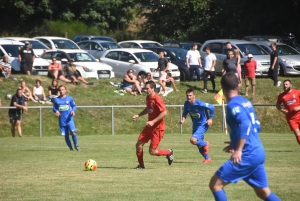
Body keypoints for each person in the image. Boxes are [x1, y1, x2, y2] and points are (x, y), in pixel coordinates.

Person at [209, 72, 281, 201]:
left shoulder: (233, 105)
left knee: (215, 185)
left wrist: (239, 149)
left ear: (222, 88)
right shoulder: (245, 102)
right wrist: (235, 142)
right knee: (263, 192)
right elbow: (256, 126)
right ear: (239, 85)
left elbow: (246, 123)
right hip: (258, 151)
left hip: (247, 154)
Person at [132, 81, 173, 169]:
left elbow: (164, 112)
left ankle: (168, 152)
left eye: (147, 88)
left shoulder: (157, 99)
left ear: (153, 89)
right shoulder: (148, 98)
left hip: (158, 128)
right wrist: (138, 115)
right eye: (145, 88)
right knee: (138, 144)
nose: (145, 90)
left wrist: (153, 121)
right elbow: (148, 108)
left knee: (152, 151)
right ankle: (141, 165)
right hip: (149, 127)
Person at [180, 88, 214, 163]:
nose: (189, 97)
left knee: (193, 140)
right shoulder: (186, 103)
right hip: (195, 125)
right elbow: (185, 112)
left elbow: (212, 107)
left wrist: (210, 118)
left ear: (194, 96)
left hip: (203, 124)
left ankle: (206, 143)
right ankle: (207, 158)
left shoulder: (199, 104)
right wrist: (183, 119)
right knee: (198, 144)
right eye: (187, 95)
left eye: (190, 95)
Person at [53, 85, 80, 151]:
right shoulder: (56, 99)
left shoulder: (69, 98)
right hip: (62, 120)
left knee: (73, 132)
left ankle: (76, 145)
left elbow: (74, 106)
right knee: (66, 135)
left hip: (69, 119)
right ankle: (71, 149)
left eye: (62, 89)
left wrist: (73, 111)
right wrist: (56, 111)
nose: (61, 91)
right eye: (60, 90)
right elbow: (54, 108)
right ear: (59, 91)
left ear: (65, 90)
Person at [276, 80, 300, 145]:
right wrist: (282, 110)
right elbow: (277, 105)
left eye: (287, 84)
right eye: (284, 85)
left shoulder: (297, 92)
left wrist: (299, 107)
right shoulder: (281, 96)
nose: (285, 86)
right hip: (291, 118)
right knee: (297, 133)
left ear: (290, 85)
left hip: (299, 115)